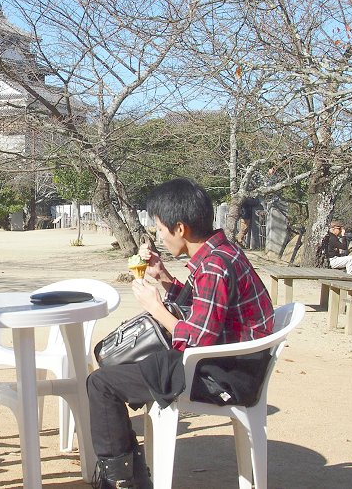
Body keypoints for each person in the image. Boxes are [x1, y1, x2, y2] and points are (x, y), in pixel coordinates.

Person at [87, 178, 274, 489]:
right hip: (234, 364)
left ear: (180, 228)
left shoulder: (213, 267)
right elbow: (204, 312)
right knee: (115, 372)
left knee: (102, 384)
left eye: (161, 229)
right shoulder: (222, 252)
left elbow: (197, 338)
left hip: (224, 376)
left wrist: (156, 307)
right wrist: (164, 277)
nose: (159, 236)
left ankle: (120, 481)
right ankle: (131, 477)